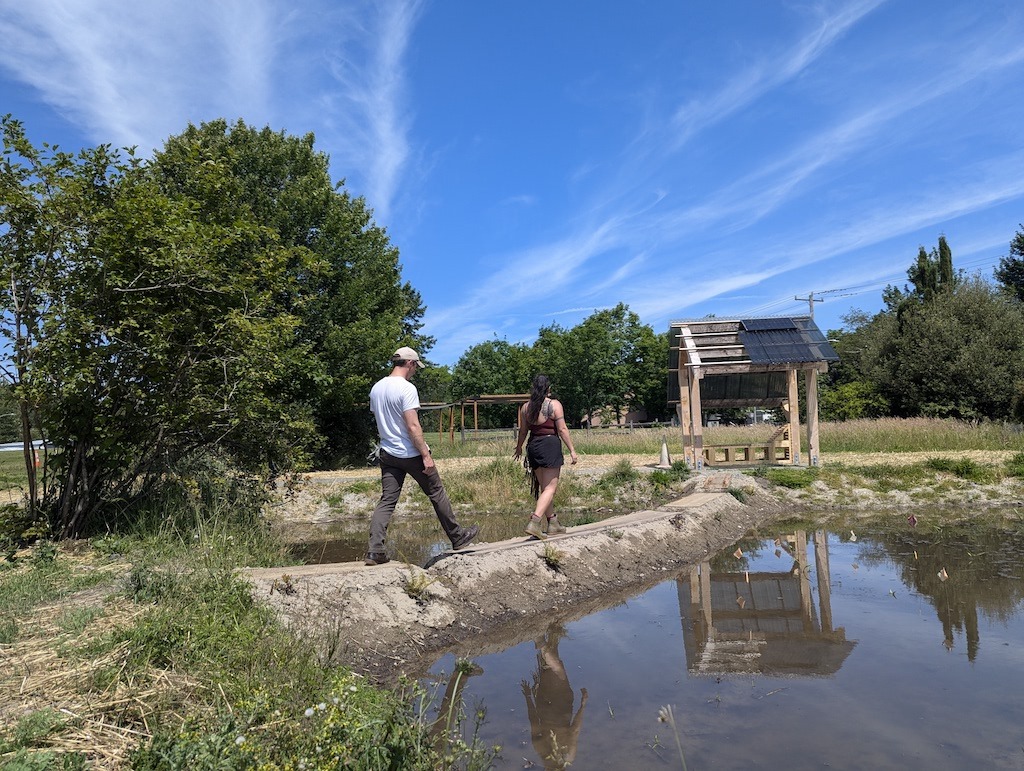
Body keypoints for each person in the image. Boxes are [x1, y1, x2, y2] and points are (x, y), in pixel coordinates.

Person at [365, 346, 478, 565]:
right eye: (416, 365)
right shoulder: (407, 389)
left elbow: (381, 419)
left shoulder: (376, 388)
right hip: (410, 453)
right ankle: (457, 537)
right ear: (409, 363)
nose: (416, 370)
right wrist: (425, 454)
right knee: (436, 491)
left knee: (387, 500)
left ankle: (374, 551)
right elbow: (413, 426)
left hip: (387, 453)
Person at [513, 374, 578, 539]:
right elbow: (562, 429)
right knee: (550, 488)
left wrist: (519, 447)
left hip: (533, 447)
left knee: (545, 489)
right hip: (550, 446)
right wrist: (572, 450)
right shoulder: (554, 405)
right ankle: (535, 521)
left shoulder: (526, 408)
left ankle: (553, 522)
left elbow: (523, 432)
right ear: (548, 388)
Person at [521, 622, 588, 769]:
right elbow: (533, 722)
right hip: (543, 705)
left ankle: (541, 641)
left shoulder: (569, 756)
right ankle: (552, 631)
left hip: (561, 706)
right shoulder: (541, 751)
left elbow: (575, 729)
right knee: (550, 669)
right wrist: (528, 697)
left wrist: (583, 706)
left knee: (557, 670)